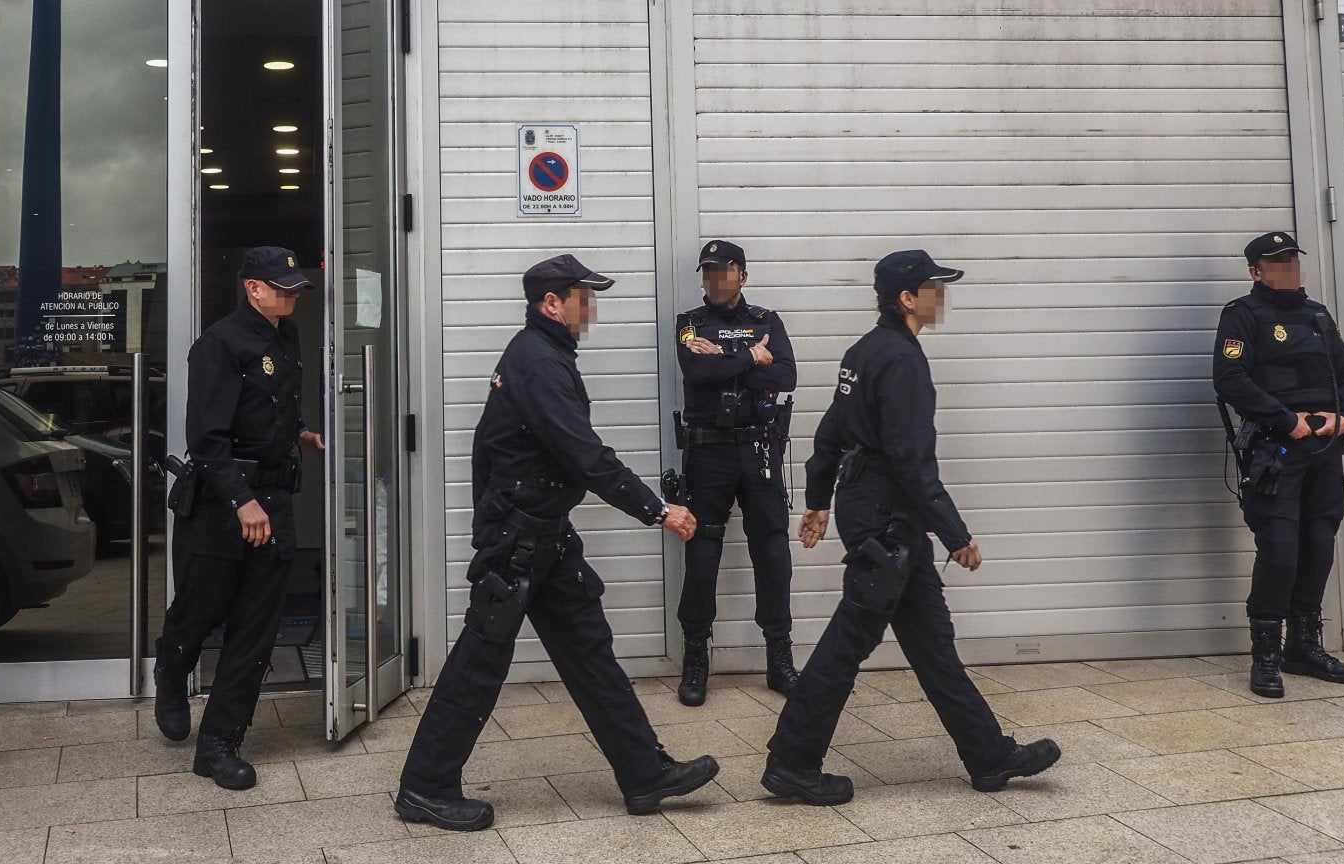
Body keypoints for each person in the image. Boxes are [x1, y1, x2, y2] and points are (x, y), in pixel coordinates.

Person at [395, 254, 718, 832]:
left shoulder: (544, 356)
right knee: (478, 664)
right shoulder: (538, 361)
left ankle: (644, 774)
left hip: (545, 538)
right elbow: (584, 454)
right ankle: (424, 786)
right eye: (582, 295)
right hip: (518, 541)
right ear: (552, 303)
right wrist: (658, 509)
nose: (589, 306)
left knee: (591, 656)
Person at [760, 250, 1059, 805]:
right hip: (888, 520)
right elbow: (911, 460)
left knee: (932, 645)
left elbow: (831, 429)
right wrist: (956, 534)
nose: (941, 296)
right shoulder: (900, 360)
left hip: (878, 513)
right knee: (849, 641)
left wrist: (819, 500)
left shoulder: (864, 352)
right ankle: (793, 763)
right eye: (934, 287)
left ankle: (989, 756)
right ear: (907, 298)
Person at [153, 246, 325, 789]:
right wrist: (241, 501)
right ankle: (172, 666)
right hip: (220, 504)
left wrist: (297, 433)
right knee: (202, 609)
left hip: (273, 497)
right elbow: (206, 439)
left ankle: (219, 743)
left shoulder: (285, 336)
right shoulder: (219, 344)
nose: (294, 294)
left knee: (256, 627)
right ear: (253, 287)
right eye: (283, 286)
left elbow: (270, 407)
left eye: (296, 286)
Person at [1214, 231, 1344, 698]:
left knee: (1319, 545)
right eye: (1275, 262)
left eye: (1291, 260)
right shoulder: (1243, 316)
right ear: (1255, 270)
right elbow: (1229, 379)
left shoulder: (1317, 316)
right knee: (1279, 550)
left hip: (1324, 450)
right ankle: (1266, 656)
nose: (1286, 268)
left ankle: (1303, 647)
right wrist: (1286, 421)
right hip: (1275, 451)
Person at [672, 239, 798, 705]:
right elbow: (696, 373)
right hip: (708, 455)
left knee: (772, 553)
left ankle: (779, 659)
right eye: (708, 272)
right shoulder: (690, 324)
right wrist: (751, 358)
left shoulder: (766, 321)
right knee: (703, 555)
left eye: (724, 271)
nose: (715, 280)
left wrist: (724, 362)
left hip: (759, 450)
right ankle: (696, 660)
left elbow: (785, 376)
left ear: (742, 275)